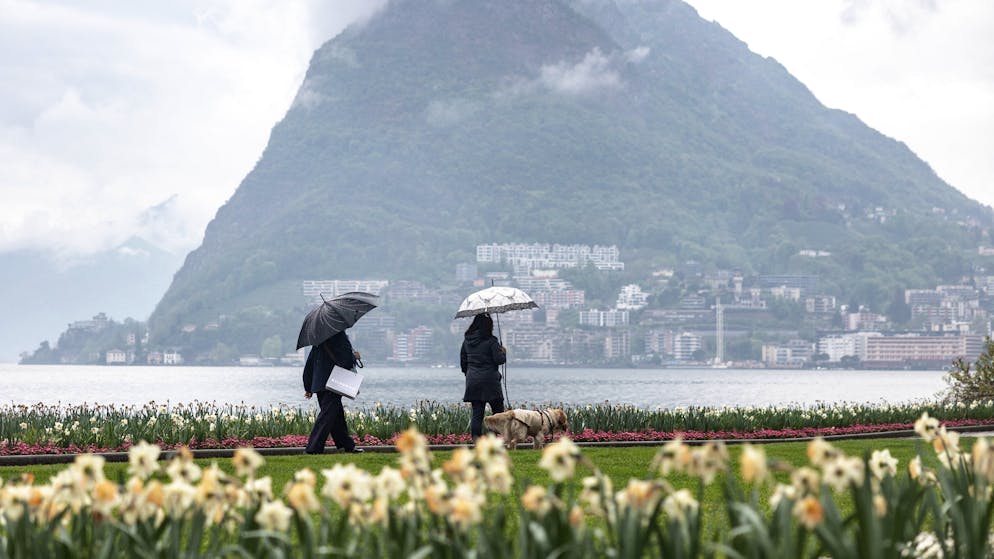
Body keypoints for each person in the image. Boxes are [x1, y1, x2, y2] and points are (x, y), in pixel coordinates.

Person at [303, 331, 363, 454]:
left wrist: (308, 387)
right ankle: (312, 449)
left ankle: (347, 446)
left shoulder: (319, 340)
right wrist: (354, 357)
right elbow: (346, 359)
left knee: (336, 415)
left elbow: (309, 364)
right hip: (334, 382)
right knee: (327, 416)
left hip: (319, 384)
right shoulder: (340, 336)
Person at [460, 313, 507, 439]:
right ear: (489, 326)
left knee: (477, 413)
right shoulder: (492, 341)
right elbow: (499, 360)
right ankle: (492, 439)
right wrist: (503, 352)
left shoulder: (467, 341)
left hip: (473, 380)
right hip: (490, 381)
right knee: (497, 412)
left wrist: (469, 374)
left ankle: (476, 440)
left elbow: (463, 362)